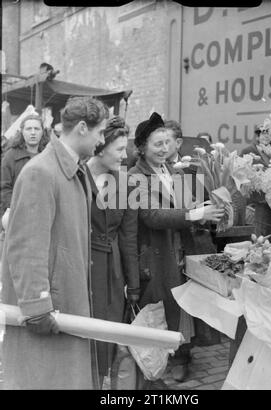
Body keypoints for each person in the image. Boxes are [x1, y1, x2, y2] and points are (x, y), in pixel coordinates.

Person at [1, 96, 108, 389]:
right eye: (100, 132)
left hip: (66, 303)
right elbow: (25, 247)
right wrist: (37, 307)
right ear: (83, 128)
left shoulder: (75, 169)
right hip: (51, 310)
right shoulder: (41, 172)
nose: (102, 140)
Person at [128, 112, 224, 388]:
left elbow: (185, 206)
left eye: (167, 142)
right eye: (157, 143)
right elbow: (151, 216)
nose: (163, 148)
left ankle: (181, 358)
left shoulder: (174, 172)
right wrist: (193, 214)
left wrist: (204, 213)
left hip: (180, 249)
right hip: (155, 255)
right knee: (159, 311)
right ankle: (153, 370)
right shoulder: (134, 176)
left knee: (182, 308)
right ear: (142, 147)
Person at [86, 116, 140, 388]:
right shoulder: (78, 177)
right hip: (83, 267)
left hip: (113, 271)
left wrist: (133, 286)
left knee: (106, 338)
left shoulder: (126, 183)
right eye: (119, 149)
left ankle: (101, 382)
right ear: (100, 146)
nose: (125, 155)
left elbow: (129, 237)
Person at [0, 114, 49, 218]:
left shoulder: (48, 155)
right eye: (28, 129)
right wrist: (14, 208)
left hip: (43, 213)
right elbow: (4, 187)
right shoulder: (11, 156)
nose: (33, 133)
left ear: (42, 132)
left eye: (36, 129)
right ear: (22, 132)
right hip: (16, 214)